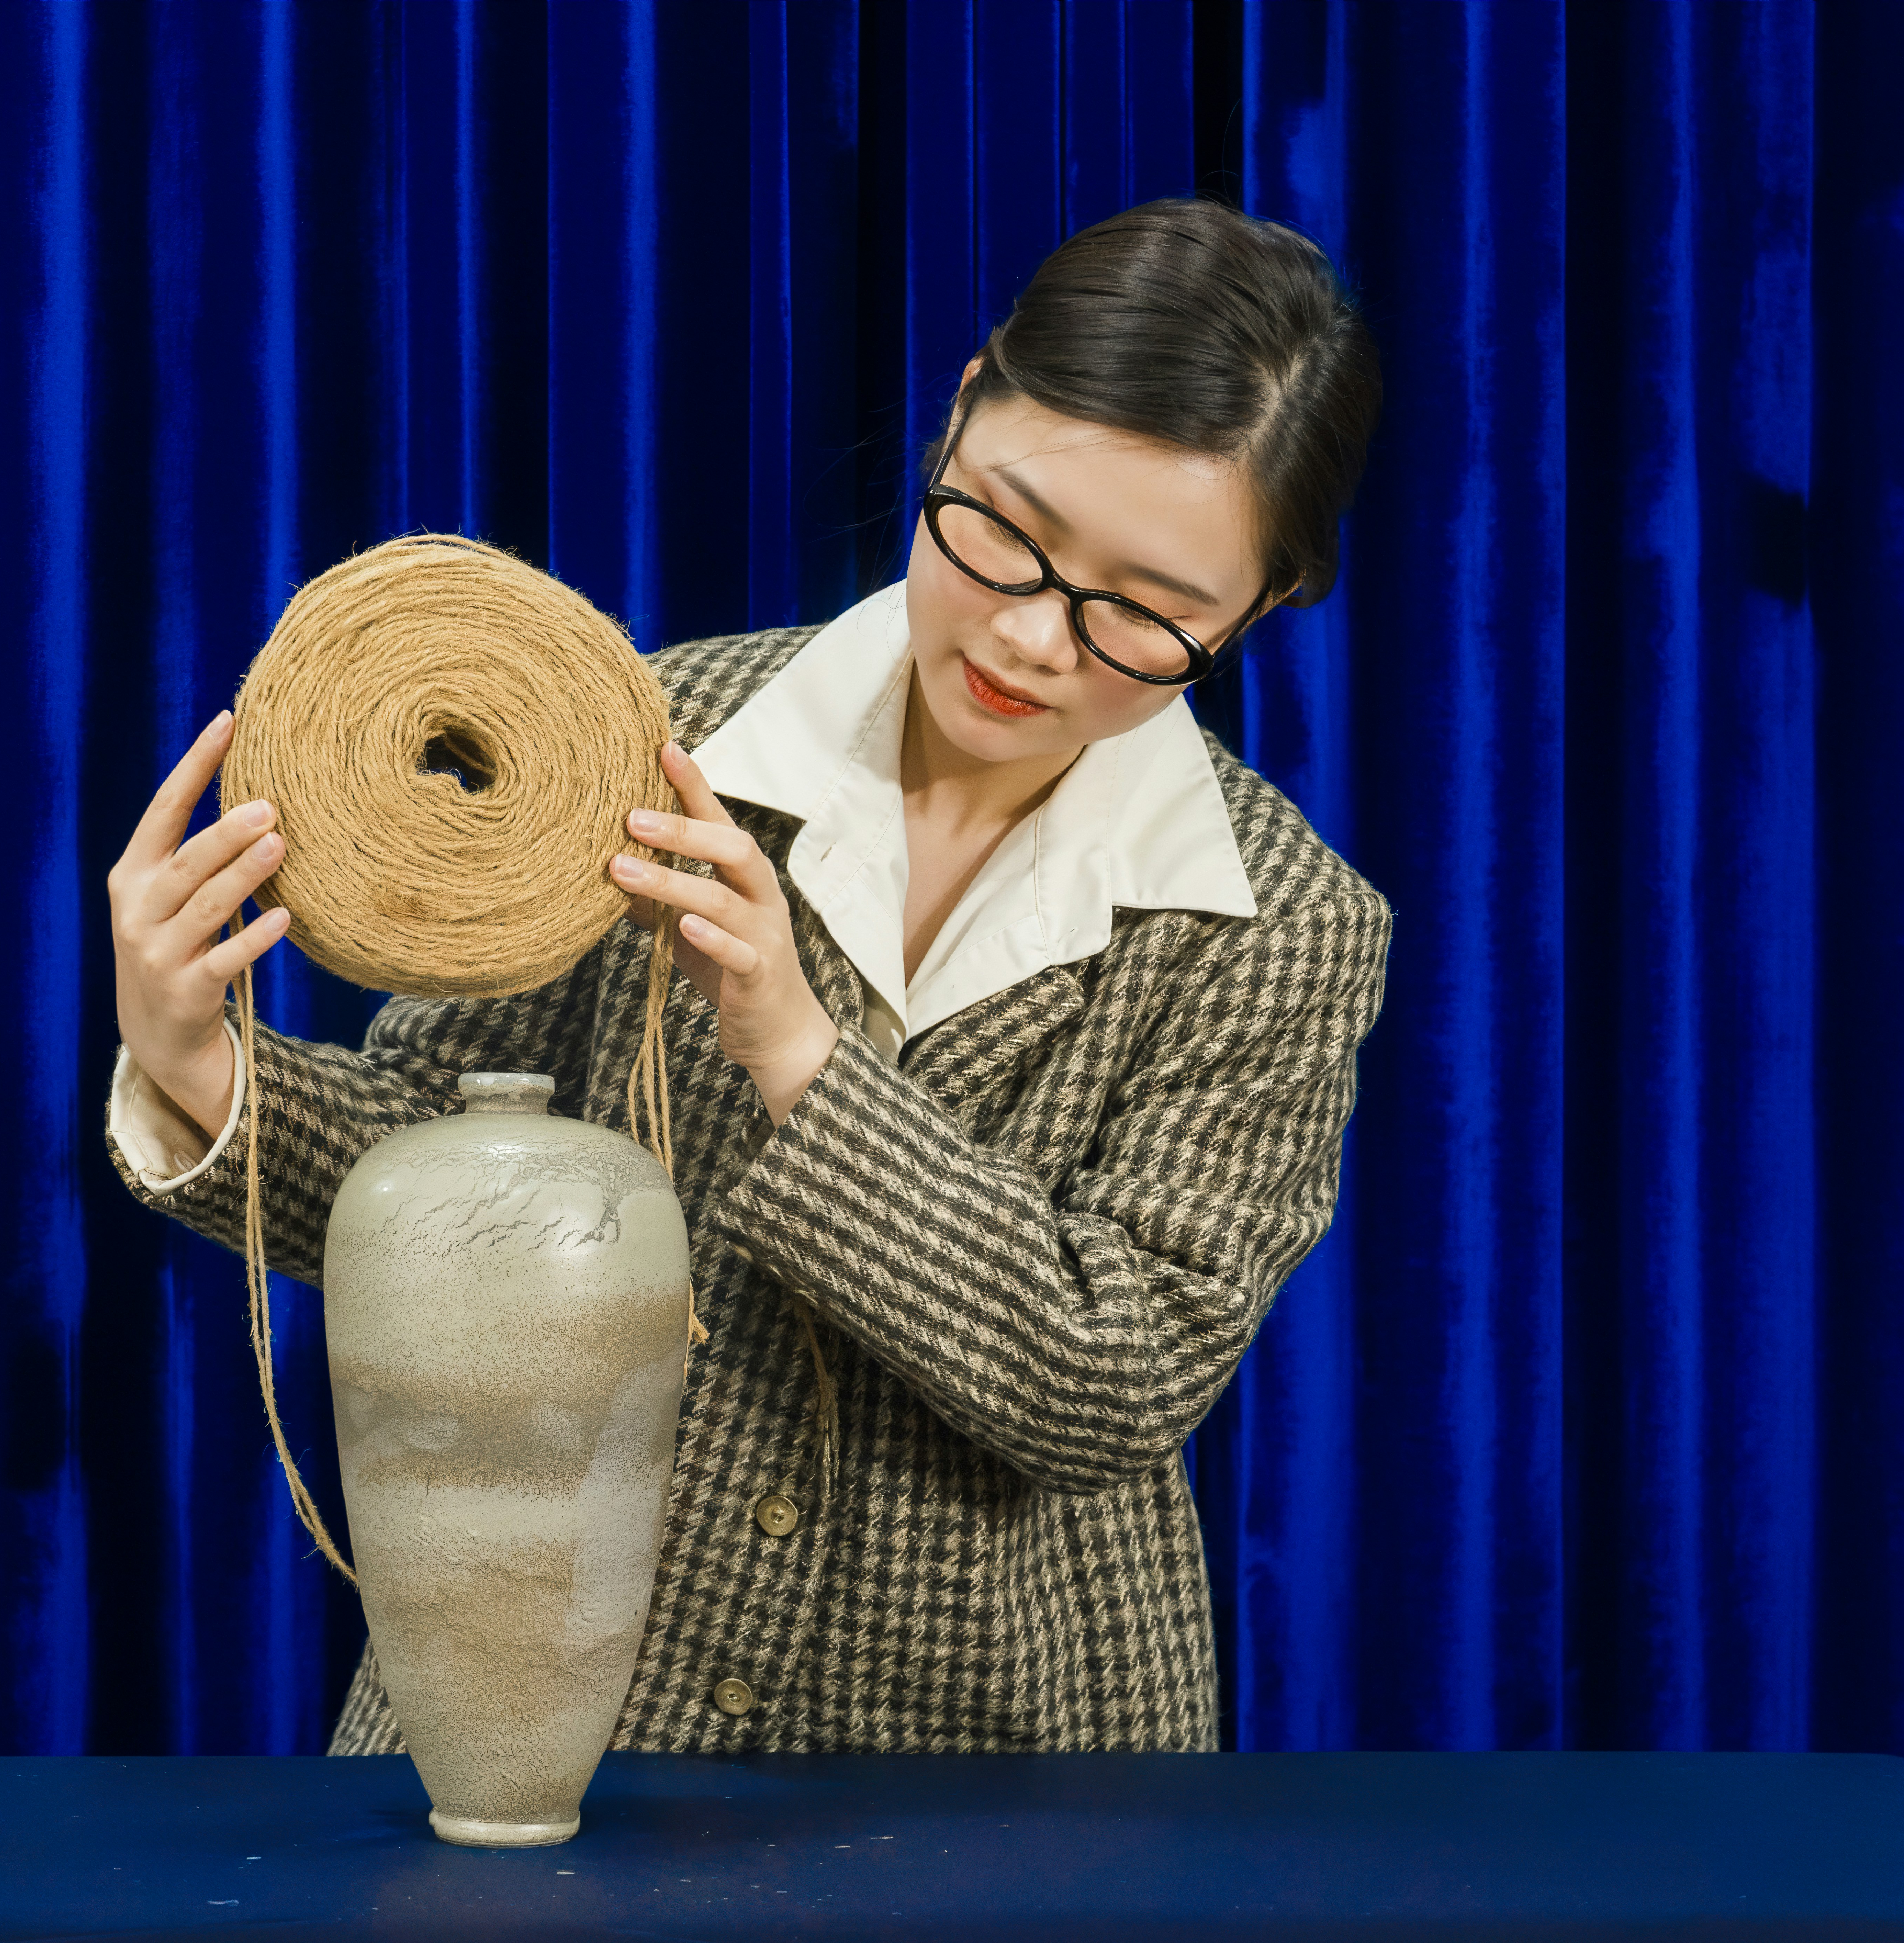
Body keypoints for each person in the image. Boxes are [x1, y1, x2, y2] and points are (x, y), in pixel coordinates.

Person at [102, 197, 1390, 1754]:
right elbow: (441, 1194)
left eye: (1143, 614)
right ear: (964, 401)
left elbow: (1107, 1381)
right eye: (1000, 527)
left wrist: (796, 1050)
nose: (1036, 635)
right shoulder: (648, 737)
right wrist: (199, 1061)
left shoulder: (1281, 923)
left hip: (1014, 1771)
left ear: (1265, 606)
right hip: (554, 1707)